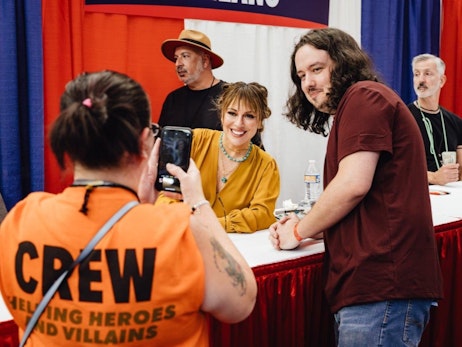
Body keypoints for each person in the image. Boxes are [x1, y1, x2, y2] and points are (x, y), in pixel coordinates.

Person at [0, 70, 257, 346]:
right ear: (143, 140)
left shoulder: (21, 219)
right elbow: (240, 303)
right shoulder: (179, 228)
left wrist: (139, 206)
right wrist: (199, 203)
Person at [269, 28, 443, 347]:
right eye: (301, 74)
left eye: (317, 69)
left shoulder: (365, 96)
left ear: (344, 62)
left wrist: (298, 232)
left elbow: (352, 186)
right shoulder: (360, 102)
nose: (308, 83)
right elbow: (367, 200)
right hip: (375, 288)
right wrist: (307, 226)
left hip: (381, 284)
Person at [157, 81, 280, 233]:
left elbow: (263, 215)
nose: (239, 123)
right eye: (232, 113)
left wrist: (210, 225)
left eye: (249, 116)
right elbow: (165, 195)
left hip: (235, 248)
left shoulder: (266, 165)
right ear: (221, 114)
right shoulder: (196, 141)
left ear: (260, 122)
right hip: (183, 235)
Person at [159, 29, 264, 148]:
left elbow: (254, 147)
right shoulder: (173, 99)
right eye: (176, 58)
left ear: (205, 61)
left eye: (185, 56)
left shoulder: (230, 96)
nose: (178, 63)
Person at [407, 53, 462, 185]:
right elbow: (394, 168)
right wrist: (433, 177)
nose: (421, 80)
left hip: (451, 195)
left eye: (427, 74)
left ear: (442, 81)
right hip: (416, 194)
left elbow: (461, 172)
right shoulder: (403, 118)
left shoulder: (456, 122)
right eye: (416, 74)